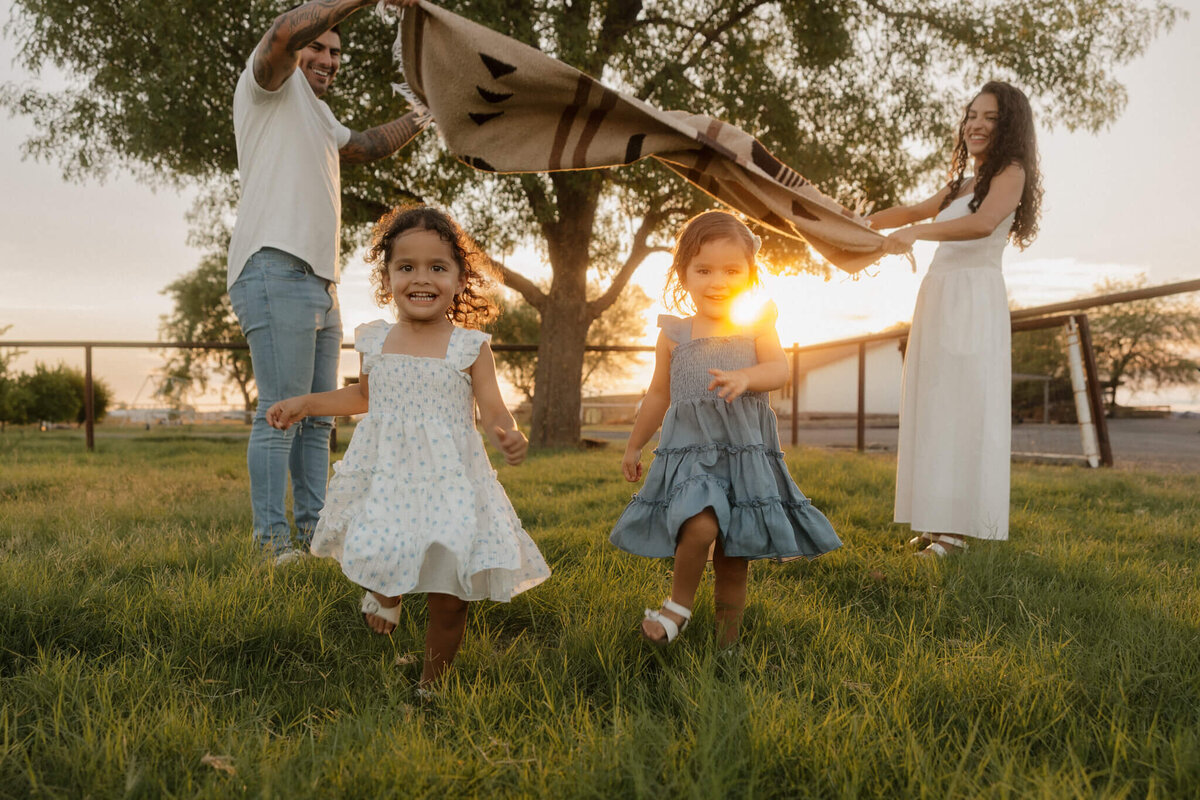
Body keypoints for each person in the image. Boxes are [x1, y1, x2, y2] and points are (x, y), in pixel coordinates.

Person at [266, 205, 550, 690]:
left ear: (460, 279)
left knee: (451, 591)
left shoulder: (470, 346)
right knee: (385, 541)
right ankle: (388, 591)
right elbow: (361, 397)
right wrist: (305, 404)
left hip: (451, 482)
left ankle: (432, 683)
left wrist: (508, 432)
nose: (422, 279)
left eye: (438, 267)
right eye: (407, 267)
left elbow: (492, 407)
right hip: (390, 476)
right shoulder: (376, 340)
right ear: (388, 277)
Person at [227, 0, 426, 562]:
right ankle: (271, 545)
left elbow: (366, 145)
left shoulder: (318, 115)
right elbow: (284, 31)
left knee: (315, 419)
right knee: (281, 411)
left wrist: (425, 113)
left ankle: (315, 535)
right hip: (272, 265)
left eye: (336, 52)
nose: (328, 58)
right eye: (319, 47)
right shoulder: (268, 83)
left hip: (319, 281)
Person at [609, 210, 841, 646]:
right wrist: (634, 445)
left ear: (750, 275)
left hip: (744, 453)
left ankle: (726, 648)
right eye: (704, 269)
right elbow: (659, 394)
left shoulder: (756, 325)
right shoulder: (674, 333)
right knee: (699, 526)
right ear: (684, 274)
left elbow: (778, 369)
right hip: (694, 452)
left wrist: (746, 378)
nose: (718, 280)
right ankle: (677, 608)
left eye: (732, 270)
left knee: (736, 553)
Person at [866, 81, 1043, 557]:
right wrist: (860, 221)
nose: (977, 125)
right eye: (972, 116)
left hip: (972, 298)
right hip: (938, 296)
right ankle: (937, 518)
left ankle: (957, 531)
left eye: (990, 117)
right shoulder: (959, 184)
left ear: (1009, 127)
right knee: (936, 405)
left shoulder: (1012, 172)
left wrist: (916, 233)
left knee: (963, 408)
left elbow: (981, 224)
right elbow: (910, 210)